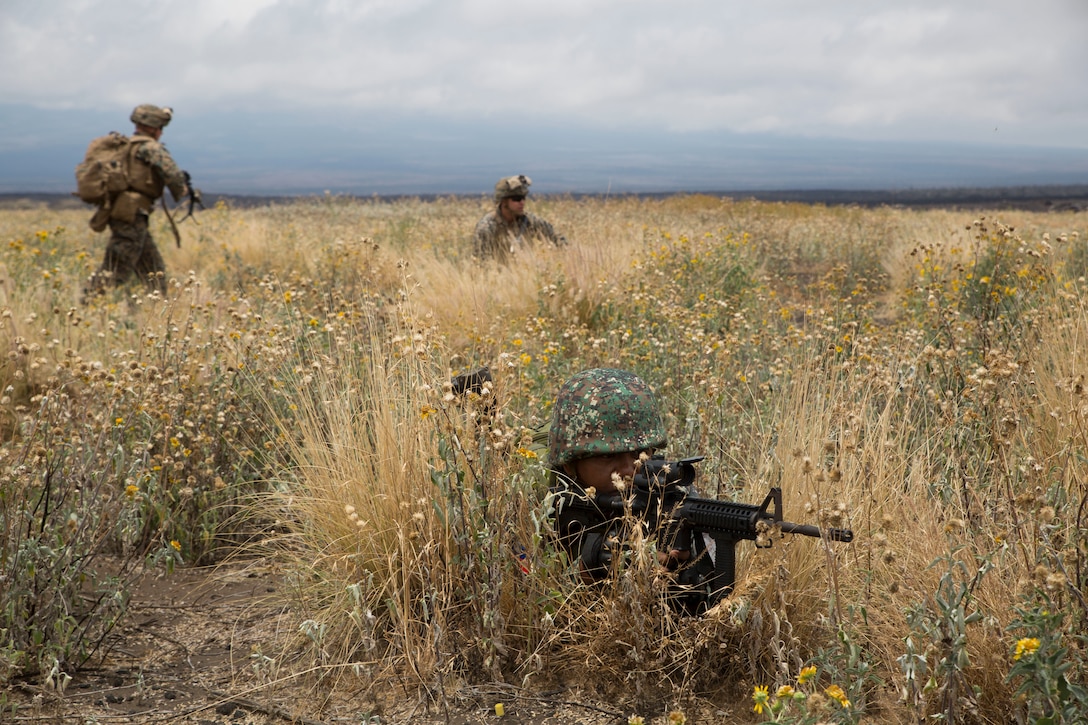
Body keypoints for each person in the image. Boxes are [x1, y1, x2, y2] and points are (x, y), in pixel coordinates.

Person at [547, 368, 694, 584]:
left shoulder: (671, 495)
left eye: (639, 453)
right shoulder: (540, 498)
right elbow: (523, 582)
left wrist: (688, 565)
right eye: (609, 456)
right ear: (570, 464)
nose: (629, 470)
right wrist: (589, 565)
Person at [83, 104, 191, 300]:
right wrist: (183, 191)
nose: (160, 132)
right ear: (151, 128)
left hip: (130, 214)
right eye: (159, 127)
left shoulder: (128, 146)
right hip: (131, 215)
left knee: (153, 271)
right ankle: (84, 306)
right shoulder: (149, 147)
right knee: (116, 270)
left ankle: (158, 312)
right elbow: (172, 173)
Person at [473, 175, 566, 263]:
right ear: (503, 201)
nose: (522, 202)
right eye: (516, 199)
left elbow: (558, 239)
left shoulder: (529, 221)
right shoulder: (487, 226)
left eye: (523, 198)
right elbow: (481, 262)